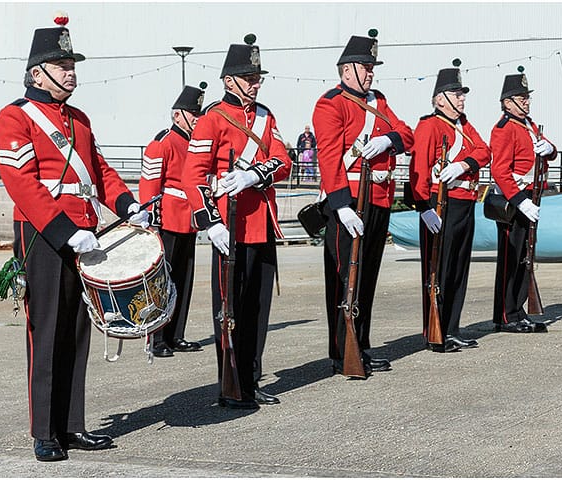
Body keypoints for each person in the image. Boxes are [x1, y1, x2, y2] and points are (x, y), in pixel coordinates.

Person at [0, 14, 150, 462]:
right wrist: (67, 232)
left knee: (78, 332)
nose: (72, 72)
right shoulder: (14, 117)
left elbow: (99, 173)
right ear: (37, 72)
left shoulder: (78, 118)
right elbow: (22, 183)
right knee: (46, 332)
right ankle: (44, 431)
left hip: (85, 233)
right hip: (44, 236)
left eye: (73, 64)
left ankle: (72, 425)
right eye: (62, 65)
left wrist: (127, 205)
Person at [182, 34, 292, 409]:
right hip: (230, 227)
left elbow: (283, 160)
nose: (255, 82)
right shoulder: (212, 119)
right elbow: (192, 175)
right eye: (248, 77)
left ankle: (251, 379)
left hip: (261, 223)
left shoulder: (265, 116)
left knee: (258, 309)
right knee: (230, 310)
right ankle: (229, 382)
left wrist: (255, 175)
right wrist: (211, 223)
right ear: (229, 80)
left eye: (258, 76)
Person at [312, 30, 414, 376]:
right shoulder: (331, 103)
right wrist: (340, 204)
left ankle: (362, 344)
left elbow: (407, 133)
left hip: (379, 199)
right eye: (365, 66)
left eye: (372, 67)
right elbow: (328, 156)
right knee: (345, 277)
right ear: (346, 70)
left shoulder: (379, 102)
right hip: (350, 200)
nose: (370, 72)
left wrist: (388, 138)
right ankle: (342, 351)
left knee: (366, 276)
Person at [409, 59, 491, 352]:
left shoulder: (464, 125)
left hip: (465, 202)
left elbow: (484, 151)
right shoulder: (429, 126)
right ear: (440, 99)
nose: (462, 99)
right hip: (440, 204)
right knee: (438, 270)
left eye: (462, 94)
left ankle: (452, 327)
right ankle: (436, 331)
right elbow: (418, 169)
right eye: (457, 94)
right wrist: (423, 207)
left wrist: (462, 165)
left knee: (458, 268)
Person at [139, 83, 208, 357]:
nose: (196, 118)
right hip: (167, 219)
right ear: (177, 114)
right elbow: (150, 182)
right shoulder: (164, 141)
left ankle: (176, 334)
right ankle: (156, 339)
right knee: (162, 283)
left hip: (188, 220)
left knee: (183, 280)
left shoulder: (195, 143)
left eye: (198, 114)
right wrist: (152, 218)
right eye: (192, 113)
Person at [489, 67, 555, 333]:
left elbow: (546, 147)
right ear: (507, 102)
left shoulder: (527, 124)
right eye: (521, 98)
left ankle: (518, 310)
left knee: (524, 257)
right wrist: (520, 201)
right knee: (510, 257)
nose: (526, 102)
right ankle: (506, 315)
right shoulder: (504, 128)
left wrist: (550, 150)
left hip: (530, 196)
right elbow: (500, 170)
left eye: (527, 97)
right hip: (513, 200)